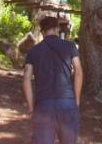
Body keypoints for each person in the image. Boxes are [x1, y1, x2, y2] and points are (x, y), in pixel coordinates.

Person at [23, 15, 83, 144]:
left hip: (43, 105)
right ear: (57, 29)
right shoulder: (70, 46)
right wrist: (76, 101)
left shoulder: (33, 51)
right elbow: (78, 71)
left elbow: (26, 79)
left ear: (42, 31)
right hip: (67, 103)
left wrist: (31, 108)